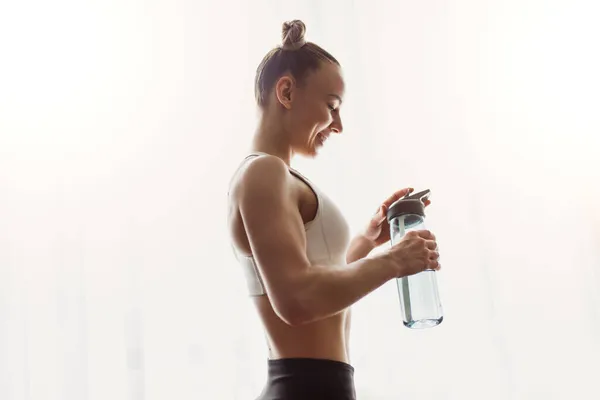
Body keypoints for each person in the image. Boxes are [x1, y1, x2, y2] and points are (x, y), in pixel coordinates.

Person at [227, 20, 441, 400]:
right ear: (287, 91)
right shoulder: (263, 172)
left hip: (321, 387)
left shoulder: (276, 176)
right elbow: (296, 300)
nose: (338, 125)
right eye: (332, 106)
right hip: (304, 388)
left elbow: (318, 281)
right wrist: (395, 260)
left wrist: (367, 241)